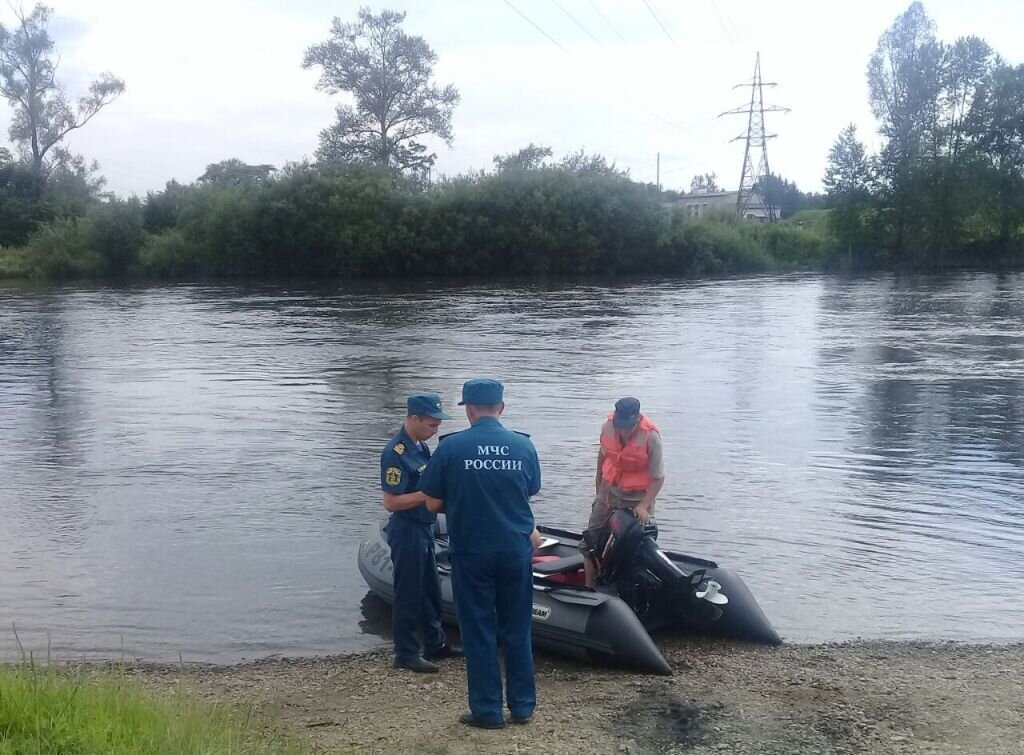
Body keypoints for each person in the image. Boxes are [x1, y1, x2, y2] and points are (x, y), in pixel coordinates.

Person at [421, 378, 541, 730]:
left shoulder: (451, 447)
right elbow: (528, 491)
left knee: (478, 628)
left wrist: (465, 499)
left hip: (472, 549)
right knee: (517, 627)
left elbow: (432, 503)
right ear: (501, 407)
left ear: (469, 410)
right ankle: (522, 706)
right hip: (515, 549)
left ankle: (488, 711)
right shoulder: (523, 445)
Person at [380, 392, 463, 673]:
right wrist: (428, 494)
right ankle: (405, 652)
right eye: (432, 424)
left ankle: (435, 643)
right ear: (415, 419)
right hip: (407, 530)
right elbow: (391, 502)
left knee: (430, 589)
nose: (436, 430)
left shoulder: (421, 447)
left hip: (425, 527)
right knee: (409, 592)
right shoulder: (395, 453)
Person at [582, 396, 665, 587]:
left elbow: (658, 478)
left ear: (637, 418)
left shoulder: (651, 438)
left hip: (637, 498)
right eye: (620, 425)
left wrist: (643, 506)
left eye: (627, 426)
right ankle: (588, 588)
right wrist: (598, 486)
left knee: (634, 547)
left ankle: (627, 589)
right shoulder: (608, 427)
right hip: (609, 490)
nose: (623, 430)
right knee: (590, 541)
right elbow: (603, 455)